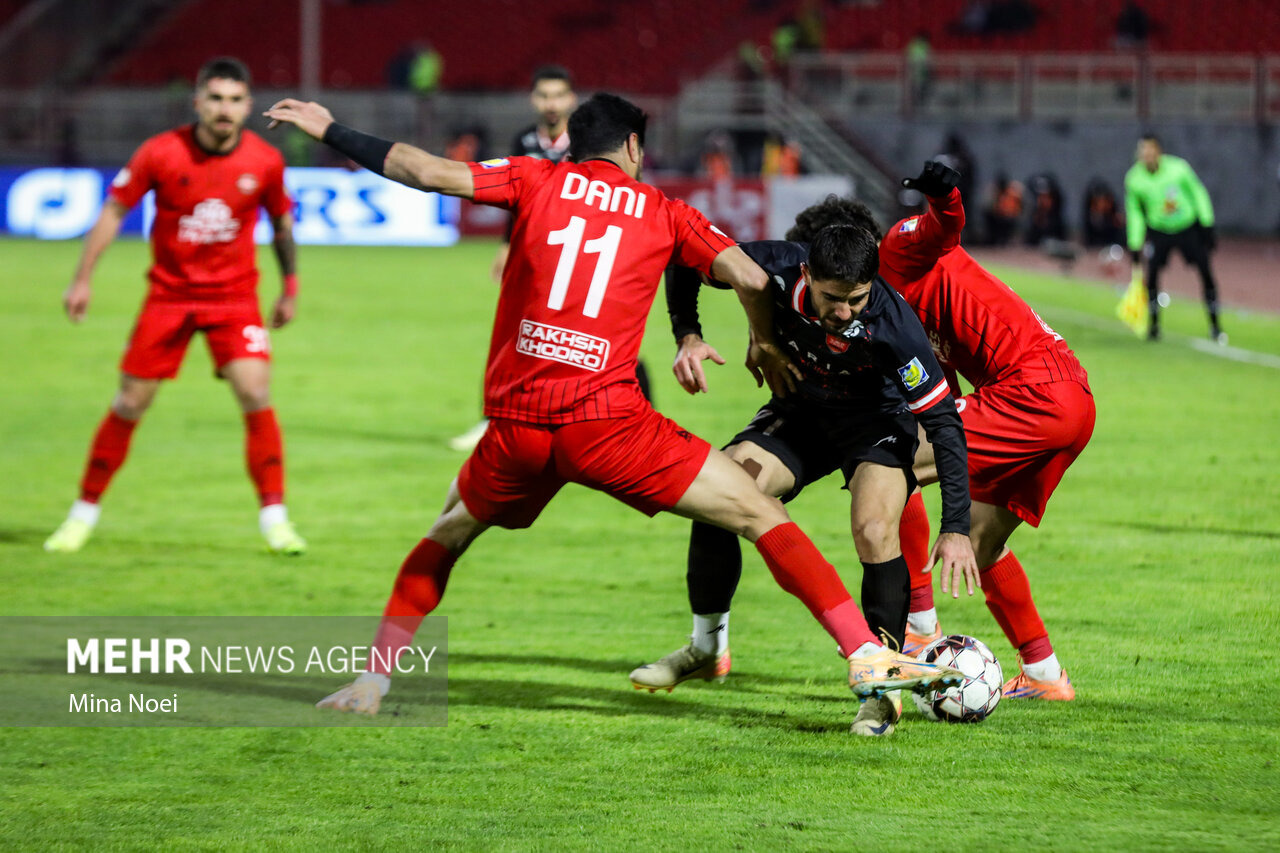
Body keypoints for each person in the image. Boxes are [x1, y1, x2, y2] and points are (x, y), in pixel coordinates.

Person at [262, 91, 964, 718]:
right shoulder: (662, 210)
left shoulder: (534, 178)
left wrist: (331, 130)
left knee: (445, 534)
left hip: (517, 428)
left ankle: (373, 681)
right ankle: (862, 652)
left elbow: (422, 169)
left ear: (570, 143)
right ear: (633, 147)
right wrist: (763, 339)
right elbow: (750, 274)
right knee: (757, 510)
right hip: (609, 423)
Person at [652, 161, 1094, 708]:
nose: (831, 308)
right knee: (982, 541)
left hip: (1031, 394)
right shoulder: (844, 293)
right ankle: (1044, 671)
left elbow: (942, 230)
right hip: (1068, 398)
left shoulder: (898, 259)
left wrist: (946, 191)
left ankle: (918, 632)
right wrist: (760, 333)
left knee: (892, 462)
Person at [637, 208, 977, 737]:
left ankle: (880, 694)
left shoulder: (893, 325)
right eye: (831, 298)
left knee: (873, 527)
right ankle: (707, 648)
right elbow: (683, 257)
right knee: (717, 492)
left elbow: (944, 425)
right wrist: (688, 333)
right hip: (801, 411)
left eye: (856, 299)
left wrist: (955, 527)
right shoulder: (771, 265)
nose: (843, 312)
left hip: (876, 425)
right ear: (807, 277)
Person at [45, 57, 306, 556]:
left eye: (234, 100)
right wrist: (82, 279)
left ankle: (275, 518)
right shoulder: (161, 152)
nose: (224, 109)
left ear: (248, 105)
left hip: (234, 298)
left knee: (255, 389)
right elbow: (115, 208)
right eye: (215, 99)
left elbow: (282, 224)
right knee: (130, 402)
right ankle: (82, 514)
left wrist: (290, 287)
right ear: (198, 103)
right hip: (169, 295)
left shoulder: (265, 161)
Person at [450, 65, 650, 452]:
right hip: (535, 255)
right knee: (516, 333)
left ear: (571, 99)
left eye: (558, 95)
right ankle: (494, 418)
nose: (551, 103)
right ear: (533, 99)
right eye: (544, 96)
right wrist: (507, 245)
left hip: (587, 254)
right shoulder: (524, 140)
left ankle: (637, 416)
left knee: (603, 338)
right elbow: (514, 197)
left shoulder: (590, 142)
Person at [1125, 134, 1224, 343]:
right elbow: (1134, 212)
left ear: (1158, 151)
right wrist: (1135, 243)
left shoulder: (1179, 169)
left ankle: (1215, 326)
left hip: (1187, 228)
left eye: (1150, 151)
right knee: (1152, 277)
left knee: (1205, 272)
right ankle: (1153, 326)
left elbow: (1198, 193)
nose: (1147, 155)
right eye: (1143, 151)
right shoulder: (1134, 179)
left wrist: (1207, 224)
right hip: (1159, 231)